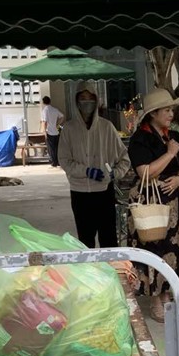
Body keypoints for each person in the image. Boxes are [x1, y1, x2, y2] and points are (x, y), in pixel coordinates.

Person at [127, 88, 179, 322]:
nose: (171, 114)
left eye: (171, 110)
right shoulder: (140, 138)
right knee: (152, 247)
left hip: (171, 201)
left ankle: (167, 294)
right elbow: (145, 172)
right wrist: (170, 154)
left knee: (171, 248)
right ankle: (155, 299)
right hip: (149, 200)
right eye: (166, 110)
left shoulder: (173, 135)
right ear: (153, 113)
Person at [58, 80, 131, 248]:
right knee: (85, 241)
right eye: (83, 98)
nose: (87, 102)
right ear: (76, 101)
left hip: (104, 192)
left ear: (96, 100)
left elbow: (124, 158)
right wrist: (86, 171)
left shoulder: (107, 128)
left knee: (108, 239)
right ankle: (89, 266)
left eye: (90, 98)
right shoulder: (69, 129)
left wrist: (114, 174)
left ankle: (110, 265)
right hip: (79, 193)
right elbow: (64, 160)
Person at [41, 95, 64, 168]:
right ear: (50, 101)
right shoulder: (55, 109)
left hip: (49, 132)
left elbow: (44, 121)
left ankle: (54, 162)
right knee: (57, 147)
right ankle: (58, 161)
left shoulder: (45, 110)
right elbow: (62, 116)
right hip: (56, 131)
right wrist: (57, 123)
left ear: (43, 102)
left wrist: (44, 131)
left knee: (51, 148)